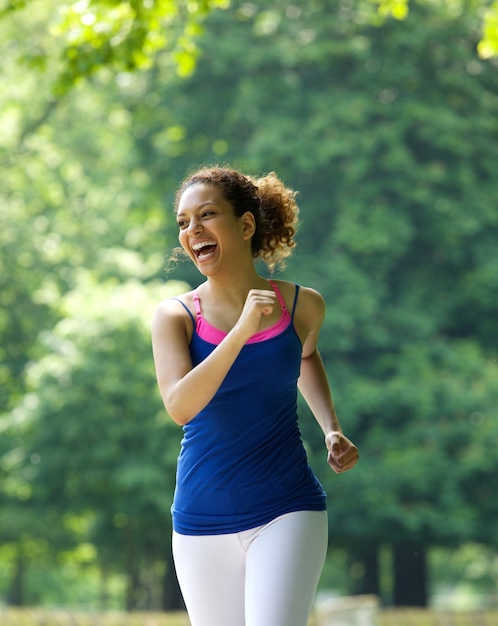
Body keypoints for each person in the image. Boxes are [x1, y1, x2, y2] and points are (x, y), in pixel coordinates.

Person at [151, 166, 359, 626]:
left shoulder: (302, 305)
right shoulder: (175, 316)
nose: (193, 231)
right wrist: (243, 329)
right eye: (183, 222)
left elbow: (305, 357)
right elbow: (181, 406)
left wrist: (331, 427)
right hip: (199, 520)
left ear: (245, 225)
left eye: (207, 215)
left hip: (287, 508)